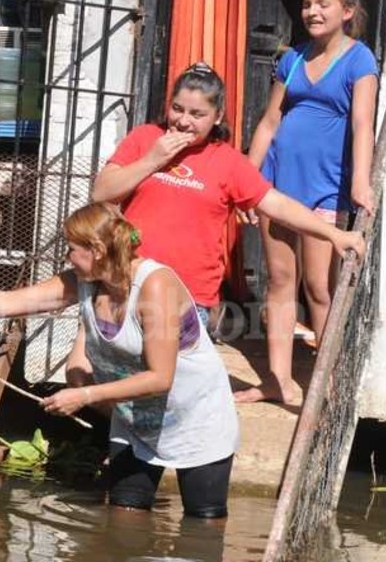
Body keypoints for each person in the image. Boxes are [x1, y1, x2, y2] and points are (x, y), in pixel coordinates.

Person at [0, 204, 242, 518]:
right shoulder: (84, 280)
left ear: (97, 249)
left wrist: (84, 395)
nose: (67, 257)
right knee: (124, 515)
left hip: (196, 417)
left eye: (71, 249)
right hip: (135, 420)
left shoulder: (155, 286)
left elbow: (160, 377)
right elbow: (7, 302)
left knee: (202, 525)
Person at [82, 62, 366, 397]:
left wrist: (333, 233)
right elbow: (102, 191)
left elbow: (274, 203)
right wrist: (152, 160)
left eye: (197, 114)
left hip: (187, 300)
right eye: (177, 109)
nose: (183, 121)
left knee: (171, 395)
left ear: (217, 117)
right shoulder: (146, 139)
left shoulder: (227, 161)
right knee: (124, 390)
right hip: (129, 289)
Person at [235, 0, 380, 404]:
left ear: (347, 10)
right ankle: (276, 381)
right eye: (307, 5)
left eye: (323, 4)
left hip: (326, 190)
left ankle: (326, 388)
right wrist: (246, 180)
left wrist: (360, 182)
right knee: (281, 281)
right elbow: (268, 123)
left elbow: (362, 125)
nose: (312, 12)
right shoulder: (291, 58)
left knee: (318, 286)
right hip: (279, 185)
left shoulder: (359, 60)